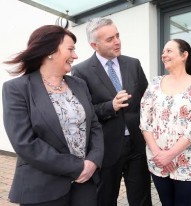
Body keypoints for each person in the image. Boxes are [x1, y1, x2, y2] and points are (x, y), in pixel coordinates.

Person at [2, 25, 104, 206]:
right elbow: (25, 142)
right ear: (50, 51)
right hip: (43, 187)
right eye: (70, 49)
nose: (75, 56)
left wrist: (93, 161)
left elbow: (94, 125)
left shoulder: (79, 84)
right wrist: (78, 167)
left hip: (85, 184)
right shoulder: (17, 89)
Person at [71, 17, 152, 206]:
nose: (117, 41)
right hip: (106, 148)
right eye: (109, 39)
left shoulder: (133, 64)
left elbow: (147, 102)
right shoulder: (81, 71)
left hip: (137, 145)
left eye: (117, 35)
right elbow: (84, 112)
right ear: (94, 45)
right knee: (105, 199)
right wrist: (111, 106)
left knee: (142, 199)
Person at [139, 39, 191, 206]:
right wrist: (159, 154)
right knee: (166, 203)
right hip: (157, 159)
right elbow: (144, 121)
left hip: (186, 160)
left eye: (169, 51)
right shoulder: (155, 83)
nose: (164, 55)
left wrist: (170, 155)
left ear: (184, 55)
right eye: (163, 52)